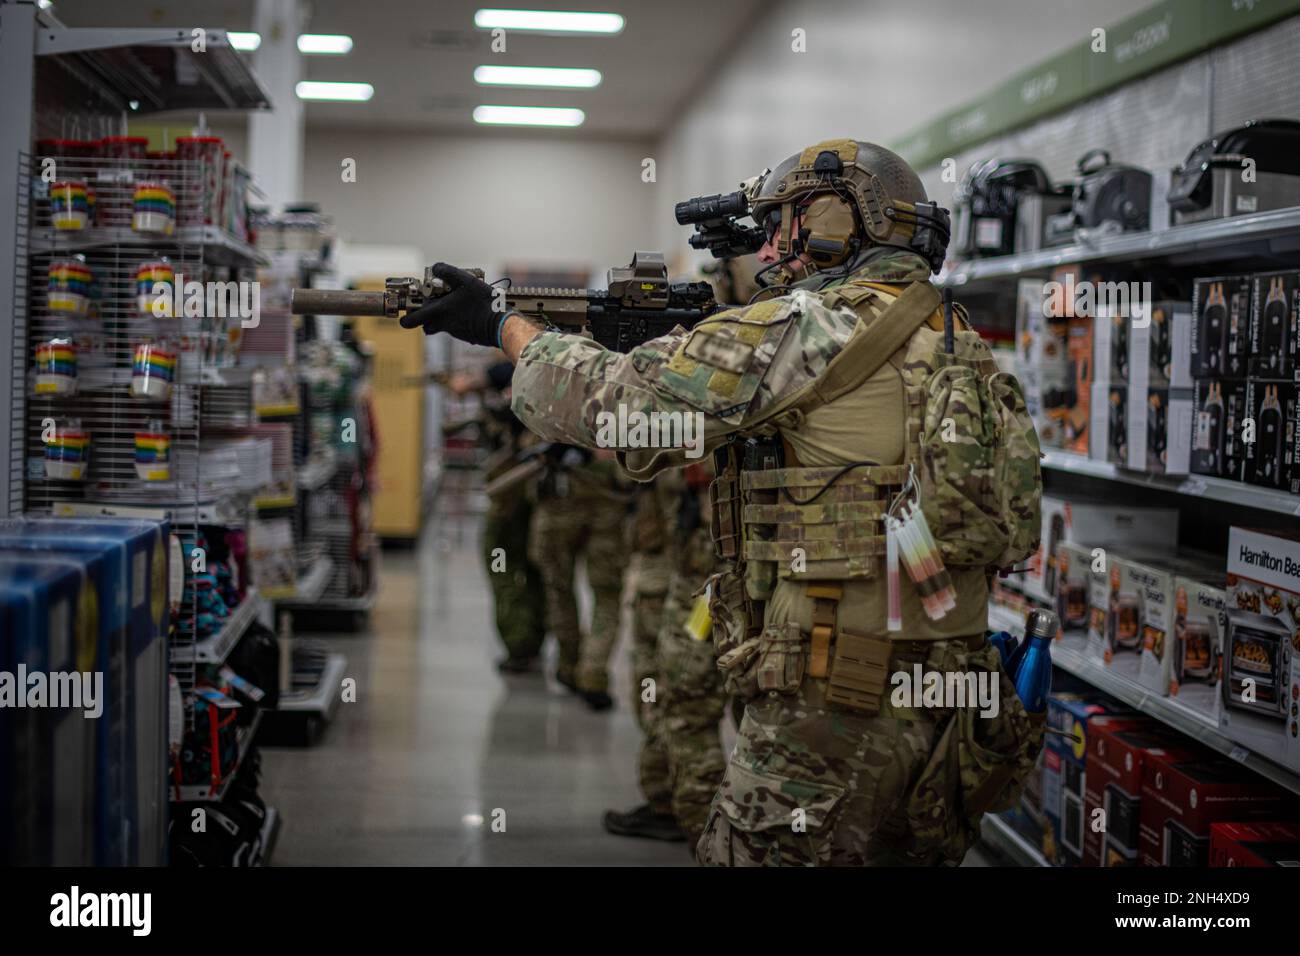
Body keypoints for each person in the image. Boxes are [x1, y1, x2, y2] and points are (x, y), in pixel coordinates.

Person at [401, 139, 1044, 866]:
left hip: (838, 707)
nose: (770, 245)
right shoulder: (956, 342)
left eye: (783, 224)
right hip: (951, 702)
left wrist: (503, 325)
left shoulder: (808, 328)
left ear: (834, 219)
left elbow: (614, 406)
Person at [603, 462, 727, 845]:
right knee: (678, 686)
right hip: (696, 571)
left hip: (707, 577)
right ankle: (677, 806)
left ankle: (698, 821)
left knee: (686, 691)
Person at [444, 360, 547, 673]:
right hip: (533, 491)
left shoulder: (513, 371)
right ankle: (534, 637)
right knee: (532, 566)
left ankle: (519, 642)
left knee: (500, 561)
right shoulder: (546, 369)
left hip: (510, 492)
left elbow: (473, 385)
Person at [528, 446, 631, 710]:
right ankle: (593, 672)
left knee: (560, 590)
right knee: (605, 595)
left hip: (562, 501)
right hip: (606, 500)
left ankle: (569, 665)